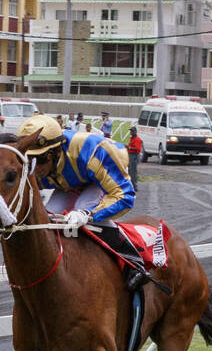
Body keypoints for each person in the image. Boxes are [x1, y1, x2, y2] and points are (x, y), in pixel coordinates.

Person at [15, 113, 147, 290]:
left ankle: (133, 263)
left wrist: (88, 215)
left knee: (80, 208)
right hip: (68, 181)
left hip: (100, 177)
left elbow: (125, 196)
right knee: (49, 216)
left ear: (56, 152)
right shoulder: (34, 164)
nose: (35, 167)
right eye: (29, 159)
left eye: (40, 159)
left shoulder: (92, 151)